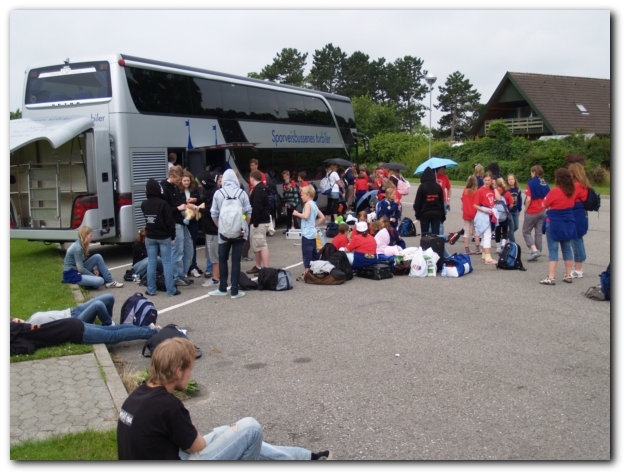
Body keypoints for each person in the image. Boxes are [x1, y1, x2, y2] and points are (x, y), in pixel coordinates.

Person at [117, 338, 332, 460]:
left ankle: (305, 458)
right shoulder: (167, 405)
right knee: (251, 429)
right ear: (177, 370)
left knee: (225, 432)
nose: (191, 374)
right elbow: (197, 445)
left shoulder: (138, 396)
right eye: (189, 369)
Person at [209, 169, 252, 299]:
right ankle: (234, 291)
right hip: (240, 232)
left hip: (223, 233)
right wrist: (243, 224)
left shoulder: (219, 193)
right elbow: (248, 212)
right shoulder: (242, 193)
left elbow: (214, 213)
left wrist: (221, 226)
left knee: (222, 259)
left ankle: (222, 288)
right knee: (236, 261)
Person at [10, 318, 158, 356]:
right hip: (71, 324)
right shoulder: (16, 328)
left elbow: (27, 348)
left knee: (113, 336)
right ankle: (148, 329)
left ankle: (151, 332)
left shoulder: (19, 337)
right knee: (112, 330)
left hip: (75, 332)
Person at [141, 178, 179, 297]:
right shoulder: (163, 204)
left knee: (151, 263)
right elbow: (170, 222)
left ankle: (151, 289)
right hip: (164, 236)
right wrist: (173, 236)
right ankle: (170, 289)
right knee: (167, 262)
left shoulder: (144, 204)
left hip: (150, 235)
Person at [539, 168, 578, 285]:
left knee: (553, 249)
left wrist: (550, 206)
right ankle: (568, 275)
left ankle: (551, 277)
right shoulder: (572, 191)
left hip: (555, 221)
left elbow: (543, 204)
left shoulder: (555, 191)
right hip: (568, 221)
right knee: (567, 248)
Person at [161, 165, 195, 287]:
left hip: (181, 221)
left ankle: (182, 274)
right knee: (177, 251)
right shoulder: (164, 189)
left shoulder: (175, 187)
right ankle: (176, 276)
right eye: (178, 179)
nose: (179, 182)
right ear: (171, 176)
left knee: (189, 248)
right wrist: (178, 208)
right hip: (175, 223)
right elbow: (164, 209)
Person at [292, 185, 325, 280]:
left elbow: (306, 216)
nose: (301, 196)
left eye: (303, 194)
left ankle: (306, 273)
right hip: (313, 233)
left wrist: (297, 214)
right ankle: (316, 270)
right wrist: (314, 224)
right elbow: (322, 217)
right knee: (313, 252)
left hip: (307, 233)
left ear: (308, 195)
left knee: (307, 253)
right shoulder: (314, 204)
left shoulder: (307, 204)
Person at [25, 293, 116, 326]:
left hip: (73, 311)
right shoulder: (31, 325)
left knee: (109, 297)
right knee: (98, 305)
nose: (18, 320)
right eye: (17, 321)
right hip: (75, 321)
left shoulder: (31, 318)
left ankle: (107, 322)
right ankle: (109, 326)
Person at [197, 171, 221, 288]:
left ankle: (216, 278)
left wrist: (196, 208)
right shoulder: (211, 191)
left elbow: (210, 211)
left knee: (214, 255)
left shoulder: (214, 192)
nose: (199, 185)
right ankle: (217, 276)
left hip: (213, 229)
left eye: (200, 183)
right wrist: (196, 201)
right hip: (210, 229)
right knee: (212, 254)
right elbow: (204, 200)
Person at [246, 170, 271, 276]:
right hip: (264, 220)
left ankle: (266, 269)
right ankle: (258, 266)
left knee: (261, 245)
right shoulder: (264, 188)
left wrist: (255, 223)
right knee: (258, 245)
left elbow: (257, 208)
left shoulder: (256, 191)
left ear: (252, 178)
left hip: (259, 222)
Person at [522, 165, 550, 262]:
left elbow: (528, 199)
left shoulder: (531, 183)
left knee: (526, 231)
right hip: (542, 210)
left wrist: (525, 208)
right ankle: (538, 249)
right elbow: (548, 197)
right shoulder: (545, 183)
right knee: (538, 232)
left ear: (534, 172)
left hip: (532, 210)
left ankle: (534, 250)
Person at [473, 172, 501, 265]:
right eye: (486, 180)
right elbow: (475, 205)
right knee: (487, 235)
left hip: (490, 213)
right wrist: (484, 210)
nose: (487, 182)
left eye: (489, 180)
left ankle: (484, 255)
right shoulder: (480, 190)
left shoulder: (492, 189)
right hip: (483, 214)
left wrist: (494, 187)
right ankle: (488, 258)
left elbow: (498, 198)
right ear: (483, 180)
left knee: (486, 235)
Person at [568, 163, 590, 279]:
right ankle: (578, 266)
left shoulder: (576, 185)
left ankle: (578, 269)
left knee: (575, 240)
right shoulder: (584, 185)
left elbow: (570, 199)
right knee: (578, 240)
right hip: (581, 213)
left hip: (575, 214)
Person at [180, 169, 202, 279]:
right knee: (182, 245)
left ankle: (193, 267)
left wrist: (194, 201)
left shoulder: (194, 191)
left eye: (188, 181)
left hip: (193, 220)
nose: (186, 183)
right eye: (184, 181)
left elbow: (199, 202)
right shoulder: (178, 191)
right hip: (182, 220)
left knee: (192, 244)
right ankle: (184, 268)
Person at [413, 167, 445, 235]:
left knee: (425, 234)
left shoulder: (422, 187)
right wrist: (443, 216)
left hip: (424, 213)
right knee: (435, 235)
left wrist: (417, 215)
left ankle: (425, 242)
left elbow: (417, 202)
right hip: (436, 213)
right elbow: (441, 202)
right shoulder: (438, 187)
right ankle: (435, 242)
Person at [460, 175, 480, 255]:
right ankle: (477, 248)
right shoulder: (476, 191)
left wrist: (463, 209)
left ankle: (467, 249)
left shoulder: (465, 191)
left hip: (466, 213)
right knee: (476, 231)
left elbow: (462, 201)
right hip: (475, 213)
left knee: (466, 231)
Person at [494, 177, 514, 254]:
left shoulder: (494, 192)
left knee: (497, 231)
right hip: (504, 215)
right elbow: (511, 204)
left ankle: (498, 247)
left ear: (496, 184)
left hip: (496, 215)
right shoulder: (507, 193)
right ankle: (503, 242)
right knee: (505, 229)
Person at [506, 174, 522, 243]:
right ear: (507, 181)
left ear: (515, 180)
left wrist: (519, 209)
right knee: (511, 226)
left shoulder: (518, 190)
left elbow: (519, 200)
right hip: (509, 211)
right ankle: (512, 242)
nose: (511, 181)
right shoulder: (507, 190)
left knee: (516, 226)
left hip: (515, 210)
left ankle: (506, 236)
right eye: (509, 180)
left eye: (512, 179)